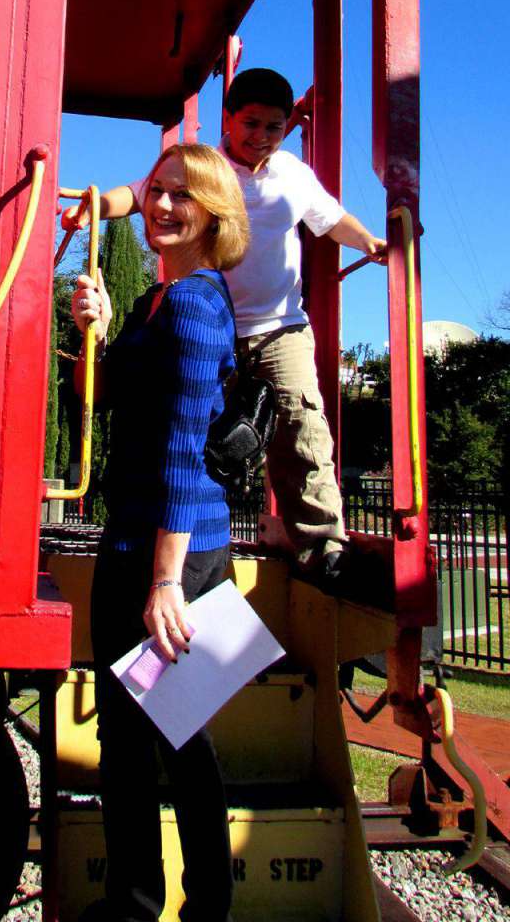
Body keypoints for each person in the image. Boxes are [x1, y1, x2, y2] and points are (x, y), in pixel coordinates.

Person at [62, 67, 387, 586]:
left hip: (280, 325)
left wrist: (370, 242)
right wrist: (95, 207)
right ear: (229, 120)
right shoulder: (205, 169)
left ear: (286, 129)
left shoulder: (293, 175)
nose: (260, 137)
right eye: (250, 123)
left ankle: (322, 543)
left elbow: (331, 219)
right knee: (198, 431)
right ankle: (196, 534)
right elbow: (139, 191)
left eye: (273, 127)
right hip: (214, 322)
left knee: (302, 425)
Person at [67, 143, 249, 922]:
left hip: (167, 555)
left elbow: (183, 452)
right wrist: (96, 328)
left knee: (165, 748)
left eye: (185, 195)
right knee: (151, 747)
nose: (164, 206)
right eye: (157, 191)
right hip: (149, 545)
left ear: (214, 213)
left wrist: (165, 582)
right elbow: (117, 410)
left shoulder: (195, 307)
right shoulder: (158, 302)